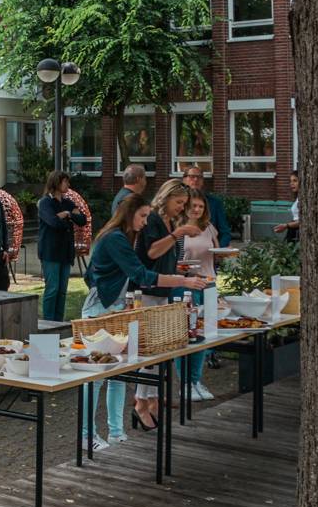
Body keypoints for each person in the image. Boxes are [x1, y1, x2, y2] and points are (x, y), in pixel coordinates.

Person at [80, 196, 208, 449]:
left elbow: (92, 275)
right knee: (95, 378)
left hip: (114, 309)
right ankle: (86, 435)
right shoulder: (116, 238)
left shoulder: (122, 237)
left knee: (119, 376)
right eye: (142, 216)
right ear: (129, 215)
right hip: (100, 312)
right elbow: (141, 275)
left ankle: (116, 431)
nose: (146, 221)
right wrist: (183, 281)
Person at [132, 178, 202, 428]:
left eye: (184, 204)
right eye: (179, 202)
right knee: (149, 349)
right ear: (166, 197)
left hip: (163, 289)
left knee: (160, 349)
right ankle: (141, 400)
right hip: (147, 290)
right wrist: (178, 233)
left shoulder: (171, 222)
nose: (181, 208)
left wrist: (181, 271)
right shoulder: (152, 220)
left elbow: (167, 255)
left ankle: (151, 398)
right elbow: (151, 253)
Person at [180, 190, 219, 402]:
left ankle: (196, 380)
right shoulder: (180, 231)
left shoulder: (208, 228)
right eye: (193, 206)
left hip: (209, 283)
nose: (197, 210)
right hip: (189, 283)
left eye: (200, 207)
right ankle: (185, 383)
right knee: (188, 334)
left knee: (206, 334)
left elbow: (217, 251)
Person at [36, 171, 86, 322]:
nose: (68, 185)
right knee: (52, 289)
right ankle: (48, 322)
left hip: (66, 252)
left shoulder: (68, 203)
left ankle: (58, 321)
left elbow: (82, 220)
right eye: (65, 182)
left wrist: (67, 214)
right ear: (56, 183)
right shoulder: (45, 203)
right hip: (50, 252)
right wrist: (66, 216)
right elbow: (53, 222)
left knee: (62, 291)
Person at [181, 165, 232, 247]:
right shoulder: (178, 201)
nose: (196, 179)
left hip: (209, 249)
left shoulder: (215, 202)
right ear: (184, 180)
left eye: (199, 177)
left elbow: (225, 232)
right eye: (192, 176)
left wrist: (219, 250)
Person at [274, 171, 300, 243]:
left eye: (295, 180)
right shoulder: (298, 198)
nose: (292, 184)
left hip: (298, 233)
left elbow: (303, 221)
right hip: (293, 230)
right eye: (290, 181)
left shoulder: (303, 200)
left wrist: (286, 225)